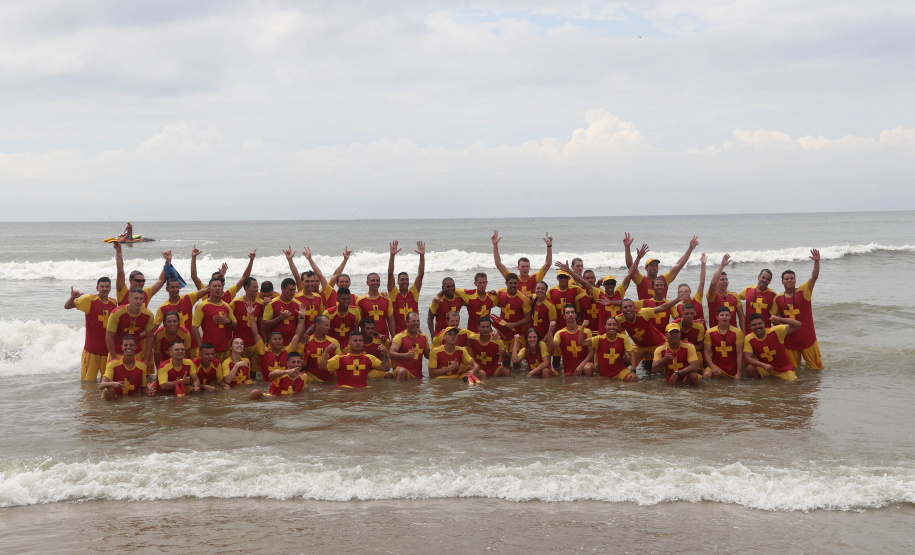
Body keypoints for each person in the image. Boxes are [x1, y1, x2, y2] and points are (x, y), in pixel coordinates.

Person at [775, 249, 823, 370]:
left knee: (816, 369)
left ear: (795, 280)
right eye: (786, 279)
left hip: (807, 337)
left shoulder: (803, 291)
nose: (789, 280)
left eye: (792, 278)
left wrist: (817, 262)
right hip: (790, 339)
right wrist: (781, 326)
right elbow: (772, 317)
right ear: (782, 281)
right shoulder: (778, 298)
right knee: (793, 370)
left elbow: (814, 277)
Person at [65, 277, 118, 380]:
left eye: (107, 286)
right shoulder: (89, 300)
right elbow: (67, 306)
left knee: (107, 383)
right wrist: (72, 298)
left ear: (110, 288)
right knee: (87, 383)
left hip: (108, 352)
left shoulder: (114, 302)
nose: (104, 289)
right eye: (102, 286)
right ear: (97, 288)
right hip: (91, 351)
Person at [623, 234, 699, 300]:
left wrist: (690, 249)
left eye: (656, 265)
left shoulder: (664, 279)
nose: (654, 267)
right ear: (646, 268)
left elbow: (679, 265)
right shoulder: (641, 280)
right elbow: (630, 266)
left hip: (662, 311)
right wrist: (627, 247)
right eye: (652, 265)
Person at [246, 301, 307, 383]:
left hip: (284, 386)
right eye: (275, 339)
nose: (278, 341)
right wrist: (251, 315)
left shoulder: (287, 352)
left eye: (280, 339)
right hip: (267, 386)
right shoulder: (264, 352)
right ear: (270, 341)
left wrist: (302, 317)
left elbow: (297, 335)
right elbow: (255, 334)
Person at [491, 230, 553, 296]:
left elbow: (548, 264)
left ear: (530, 267)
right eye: (523, 266)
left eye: (527, 266)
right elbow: (498, 264)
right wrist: (495, 245)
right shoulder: (513, 279)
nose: (525, 268)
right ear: (518, 267)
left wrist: (549, 246)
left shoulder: (535, 277)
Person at [320, 331, 390, 388]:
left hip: (363, 393)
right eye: (355, 340)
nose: (358, 342)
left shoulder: (369, 358)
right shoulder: (340, 358)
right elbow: (322, 367)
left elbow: (386, 368)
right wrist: (326, 351)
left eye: (360, 340)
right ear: (349, 342)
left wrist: (386, 352)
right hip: (344, 394)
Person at [743, 314, 803, 380]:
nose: (757, 326)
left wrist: (778, 319)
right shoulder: (748, 339)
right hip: (765, 369)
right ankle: (758, 386)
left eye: (760, 323)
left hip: (784, 369)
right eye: (754, 325)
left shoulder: (776, 331)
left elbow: (798, 324)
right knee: (750, 369)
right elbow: (747, 358)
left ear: (764, 323)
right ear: (750, 327)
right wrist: (763, 365)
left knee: (794, 383)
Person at [191, 277, 237, 362]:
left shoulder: (227, 306)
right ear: (209, 289)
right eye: (215, 286)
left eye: (219, 286)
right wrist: (201, 347)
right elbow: (194, 327)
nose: (217, 288)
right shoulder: (201, 306)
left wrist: (228, 321)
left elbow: (235, 326)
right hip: (207, 350)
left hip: (224, 350)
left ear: (222, 289)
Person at [105, 287, 155, 363]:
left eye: (141, 299)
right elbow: (109, 337)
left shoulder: (148, 314)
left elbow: (150, 336)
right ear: (129, 299)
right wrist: (114, 359)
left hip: (137, 353)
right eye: (136, 298)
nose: (138, 301)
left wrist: (146, 359)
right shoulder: (116, 313)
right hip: (117, 353)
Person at [387, 240, 426, 335]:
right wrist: (392, 256)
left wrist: (422, 256)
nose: (405, 282)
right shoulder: (394, 293)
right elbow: (390, 275)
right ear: (398, 282)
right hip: (399, 334)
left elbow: (420, 275)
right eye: (402, 280)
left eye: (407, 279)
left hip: (414, 333)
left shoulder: (413, 293)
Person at [190, 247, 256, 303]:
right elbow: (194, 277)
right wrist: (193, 257)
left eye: (221, 279)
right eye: (215, 281)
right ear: (210, 285)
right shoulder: (205, 294)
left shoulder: (228, 295)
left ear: (223, 283)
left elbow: (244, 278)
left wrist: (251, 260)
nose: (218, 284)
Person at [546, 305, 594, 376]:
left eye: (572, 312)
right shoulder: (560, 333)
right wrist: (550, 330)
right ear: (564, 316)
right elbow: (551, 347)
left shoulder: (586, 331)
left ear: (575, 315)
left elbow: (591, 352)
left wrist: (582, 365)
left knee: (588, 368)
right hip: (568, 370)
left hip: (584, 366)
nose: (570, 314)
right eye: (568, 313)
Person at [230, 277, 263, 378]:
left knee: (253, 374)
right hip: (240, 344)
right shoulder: (235, 303)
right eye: (254, 287)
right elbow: (229, 322)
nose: (256, 289)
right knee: (240, 372)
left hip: (254, 344)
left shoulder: (261, 304)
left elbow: (263, 324)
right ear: (246, 288)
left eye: (257, 287)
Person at [287, 248, 326, 333]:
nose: (310, 284)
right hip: (299, 333)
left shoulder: (318, 297)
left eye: (312, 281)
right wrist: (290, 260)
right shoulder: (295, 297)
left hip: (315, 333)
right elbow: (296, 275)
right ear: (302, 282)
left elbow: (321, 317)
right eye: (307, 281)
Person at [703, 306, 744, 379]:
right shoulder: (709, 332)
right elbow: (706, 352)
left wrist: (739, 373)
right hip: (717, 366)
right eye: (722, 315)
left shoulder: (737, 332)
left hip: (732, 368)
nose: (724, 317)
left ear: (730, 317)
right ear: (717, 317)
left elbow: (739, 353)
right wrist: (713, 367)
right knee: (706, 375)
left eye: (726, 315)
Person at [706, 254, 745, 331]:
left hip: (733, 333)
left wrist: (743, 332)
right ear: (717, 281)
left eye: (726, 279)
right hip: (716, 333)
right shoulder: (712, 296)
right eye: (722, 280)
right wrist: (722, 265)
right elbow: (713, 283)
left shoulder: (735, 295)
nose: (725, 281)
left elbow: (741, 316)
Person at [591, 316, 636, 381]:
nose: (612, 327)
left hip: (620, 371)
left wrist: (633, 371)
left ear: (617, 326)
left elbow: (632, 354)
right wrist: (583, 327)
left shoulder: (623, 338)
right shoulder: (599, 339)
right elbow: (582, 342)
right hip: (605, 373)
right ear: (605, 326)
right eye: (609, 325)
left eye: (614, 325)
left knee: (632, 378)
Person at [262, 278, 304, 347]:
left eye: (294, 290)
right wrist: (280, 318)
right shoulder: (272, 303)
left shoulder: (298, 304)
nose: (293, 293)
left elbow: (301, 324)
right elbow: (264, 324)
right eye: (290, 290)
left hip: (292, 345)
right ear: (282, 289)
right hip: (275, 346)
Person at [300, 315, 341, 383]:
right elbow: (297, 360)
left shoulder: (334, 342)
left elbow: (341, 361)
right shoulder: (305, 341)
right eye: (326, 325)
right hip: (311, 380)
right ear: (317, 325)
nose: (329, 328)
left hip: (330, 380)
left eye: (329, 325)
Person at [492, 273, 532, 343]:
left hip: (517, 333)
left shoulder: (524, 298)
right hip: (503, 330)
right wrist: (493, 295)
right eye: (511, 283)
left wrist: (513, 325)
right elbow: (499, 304)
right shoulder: (500, 292)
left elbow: (528, 318)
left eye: (515, 283)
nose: (513, 285)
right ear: (506, 283)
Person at [389, 312, 430, 381]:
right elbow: (390, 354)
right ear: (407, 323)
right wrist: (405, 355)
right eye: (413, 321)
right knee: (402, 372)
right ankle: (397, 388)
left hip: (418, 373)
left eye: (418, 321)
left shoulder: (424, 336)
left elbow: (428, 355)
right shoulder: (399, 337)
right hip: (402, 370)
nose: (416, 323)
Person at [355, 272, 396, 338]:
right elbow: (358, 322)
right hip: (367, 339)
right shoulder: (360, 301)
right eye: (372, 280)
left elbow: (391, 320)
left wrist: (393, 337)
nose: (375, 283)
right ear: (367, 283)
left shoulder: (386, 299)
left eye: (377, 280)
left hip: (384, 338)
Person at [670, 253, 708, 322]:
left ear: (690, 292)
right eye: (681, 292)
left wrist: (703, 264)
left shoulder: (697, 299)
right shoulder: (679, 307)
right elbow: (682, 322)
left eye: (686, 291)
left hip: (701, 329)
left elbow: (702, 282)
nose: (684, 293)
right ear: (678, 294)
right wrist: (696, 322)